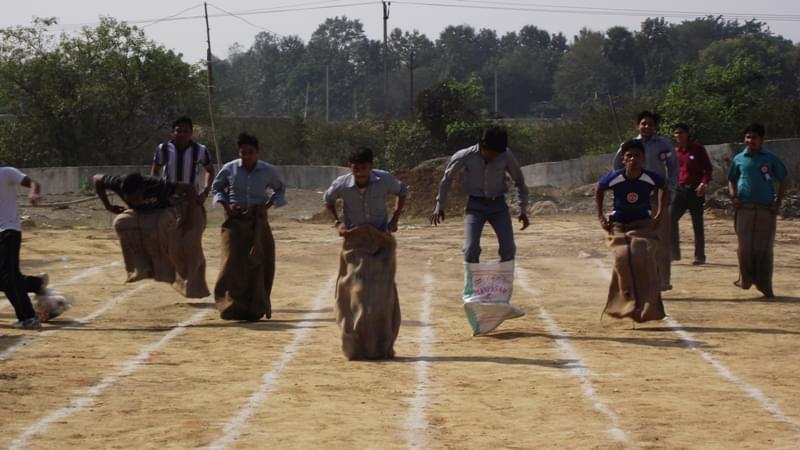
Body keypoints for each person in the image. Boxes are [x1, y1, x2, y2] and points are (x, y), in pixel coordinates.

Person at [323, 147, 407, 360]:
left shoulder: (384, 179)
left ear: (371, 167)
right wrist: (337, 223)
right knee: (357, 291)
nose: (360, 172)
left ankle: (381, 345)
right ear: (350, 168)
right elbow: (328, 199)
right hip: (356, 241)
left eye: (364, 168)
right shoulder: (342, 184)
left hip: (381, 241)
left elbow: (402, 191)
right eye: (356, 168)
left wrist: (395, 219)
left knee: (382, 295)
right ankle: (357, 344)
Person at [211, 132, 286, 321]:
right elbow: (217, 188)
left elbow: (280, 189)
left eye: (250, 152)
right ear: (239, 152)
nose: (246, 156)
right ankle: (230, 305)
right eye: (243, 153)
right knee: (231, 262)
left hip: (258, 220)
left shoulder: (268, 171)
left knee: (260, 261)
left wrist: (268, 205)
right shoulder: (229, 169)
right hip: (234, 221)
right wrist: (227, 206)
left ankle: (256, 306)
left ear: (257, 152)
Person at [93, 172, 206, 297]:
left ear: (143, 190)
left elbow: (189, 189)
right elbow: (97, 179)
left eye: (137, 198)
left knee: (160, 227)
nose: (135, 201)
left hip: (163, 211)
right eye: (130, 199)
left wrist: (188, 217)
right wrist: (107, 205)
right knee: (120, 223)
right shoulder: (117, 182)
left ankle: (166, 270)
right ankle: (139, 268)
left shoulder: (158, 185)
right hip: (140, 213)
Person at [430, 126, 530, 263]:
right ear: (483, 146)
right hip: (475, 207)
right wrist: (439, 206)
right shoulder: (464, 156)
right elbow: (446, 180)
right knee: (471, 249)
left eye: (498, 154)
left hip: (499, 207)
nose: (495, 157)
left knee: (509, 250)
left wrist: (523, 209)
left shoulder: (506, 155)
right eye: (492, 153)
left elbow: (520, 182)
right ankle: (472, 283)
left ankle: (502, 283)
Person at [596, 140, 668, 323]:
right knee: (622, 257)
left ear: (643, 159)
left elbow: (664, 187)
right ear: (623, 160)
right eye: (629, 156)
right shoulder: (616, 177)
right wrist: (601, 217)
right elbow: (599, 189)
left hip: (643, 223)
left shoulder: (649, 177)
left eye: (637, 156)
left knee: (643, 255)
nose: (633, 159)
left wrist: (660, 213)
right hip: (619, 224)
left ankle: (649, 307)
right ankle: (623, 303)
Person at [612, 111, 677, 291]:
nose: (646, 127)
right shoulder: (629, 146)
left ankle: (663, 281)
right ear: (637, 126)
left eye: (650, 124)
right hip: (636, 198)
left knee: (661, 239)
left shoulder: (664, 145)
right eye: (643, 123)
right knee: (636, 239)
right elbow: (616, 167)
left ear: (655, 126)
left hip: (658, 195)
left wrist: (670, 189)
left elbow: (673, 168)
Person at [151, 116, 214, 298]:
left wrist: (205, 192)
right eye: (179, 130)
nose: (182, 134)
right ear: (173, 132)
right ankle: (182, 279)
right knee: (173, 246)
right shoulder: (163, 149)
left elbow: (210, 170)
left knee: (192, 242)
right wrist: (156, 191)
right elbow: (155, 169)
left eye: (186, 131)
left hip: (192, 202)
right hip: (169, 202)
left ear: (191, 133)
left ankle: (197, 286)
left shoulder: (200, 150)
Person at [727, 123, 787, 298]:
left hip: (766, 210)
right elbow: (731, 179)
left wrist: (778, 202)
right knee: (744, 248)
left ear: (762, 140)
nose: (750, 141)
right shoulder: (739, 159)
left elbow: (783, 178)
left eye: (754, 137)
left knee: (764, 249)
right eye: (747, 137)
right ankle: (745, 279)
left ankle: (764, 285)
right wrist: (733, 196)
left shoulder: (770, 158)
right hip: (744, 208)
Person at [0, 167, 48, 329]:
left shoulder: (6, 173)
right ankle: (34, 284)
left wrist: (33, 193)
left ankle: (28, 317)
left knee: (8, 276)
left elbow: (33, 182)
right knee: (5, 277)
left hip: (8, 230)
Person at [670, 123, 712, 265]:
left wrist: (703, 183)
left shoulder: (698, 149)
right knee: (670, 219)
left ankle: (699, 256)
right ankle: (674, 253)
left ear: (687, 134)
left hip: (695, 191)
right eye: (676, 133)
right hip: (680, 191)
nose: (678, 136)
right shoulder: (675, 152)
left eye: (681, 133)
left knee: (697, 224)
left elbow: (708, 169)